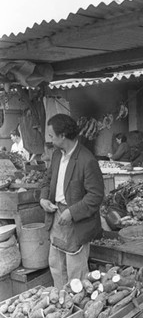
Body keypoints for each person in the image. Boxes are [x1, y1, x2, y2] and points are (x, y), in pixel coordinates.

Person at [40, 114, 104, 289]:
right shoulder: (55, 155)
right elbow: (47, 180)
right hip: (56, 216)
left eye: (52, 135)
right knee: (56, 263)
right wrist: (44, 198)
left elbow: (96, 196)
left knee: (76, 270)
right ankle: (61, 300)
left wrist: (72, 212)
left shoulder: (87, 160)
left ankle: (77, 308)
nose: (49, 139)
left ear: (62, 136)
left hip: (76, 221)